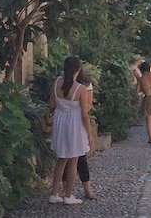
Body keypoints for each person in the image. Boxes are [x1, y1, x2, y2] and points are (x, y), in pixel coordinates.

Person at [49, 56, 93, 205]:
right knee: (73, 160)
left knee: (61, 160)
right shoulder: (80, 89)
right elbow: (85, 114)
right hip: (74, 125)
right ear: (78, 69)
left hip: (59, 122)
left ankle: (54, 193)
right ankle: (68, 195)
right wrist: (89, 134)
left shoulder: (56, 83)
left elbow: (51, 103)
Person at [76, 70, 98, 200]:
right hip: (69, 121)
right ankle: (64, 190)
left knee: (80, 157)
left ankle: (87, 189)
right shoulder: (62, 82)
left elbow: (87, 106)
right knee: (65, 158)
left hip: (77, 120)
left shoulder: (85, 84)